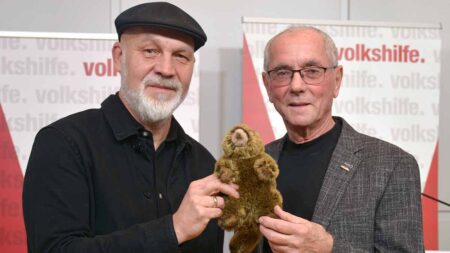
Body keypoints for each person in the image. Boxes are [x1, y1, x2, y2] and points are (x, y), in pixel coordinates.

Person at [22, 2, 239, 253]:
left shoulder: (203, 164)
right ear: (118, 57)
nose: (166, 69)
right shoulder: (64, 144)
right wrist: (174, 229)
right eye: (150, 51)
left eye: (181, 56)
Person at [257, 26, 424, 252]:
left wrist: (328, 248)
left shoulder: (391, 165)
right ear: (268, 85)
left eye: (312, 71)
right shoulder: (257, 162)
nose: (296, 86)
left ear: (337, 80)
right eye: (283, 73)